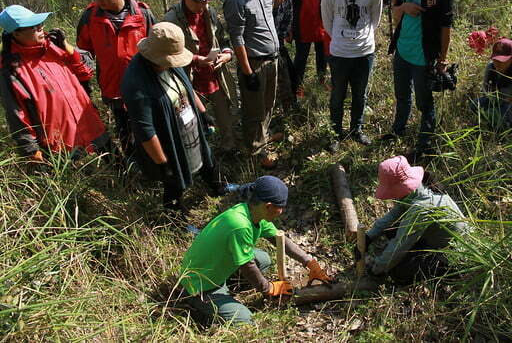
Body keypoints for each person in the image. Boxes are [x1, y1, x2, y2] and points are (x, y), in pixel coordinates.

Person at [180, 175, 333, 325]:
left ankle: (227, 290)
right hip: (199, 286)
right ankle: (203, 307)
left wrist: (309, 262)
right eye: (281, 207)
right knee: (247, 320)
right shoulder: (240, 225)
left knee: (264, 260)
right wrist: (269, 288)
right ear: (268, 206)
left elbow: (280, 241)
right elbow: (247, 265)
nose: (282, 211)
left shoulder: (253, 212)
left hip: (215, 268)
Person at [120, 22, 222, 211]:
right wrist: (163, 164)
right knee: (174, 181)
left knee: (206, 156)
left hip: (189, 126)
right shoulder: (136, 83)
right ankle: (176, 218)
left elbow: (186, 88)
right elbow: (146, 131)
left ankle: (217, 187)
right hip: (170, 140)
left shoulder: (169, 62)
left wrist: (202, 112)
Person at [0, 5, 110, 160]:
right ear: (16, 33)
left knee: (119, 168)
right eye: (33, 26)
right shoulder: (12, 70)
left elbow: (86, 73)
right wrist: (31, 150)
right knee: (84, 181)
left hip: (91, 125)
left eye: (40, 23)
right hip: (62, 144)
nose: (40, 27)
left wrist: (68, 49)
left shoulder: (54, 46)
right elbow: (16, 115)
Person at [384, 0, 455, 162]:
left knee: (425, 101)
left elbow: (446, 24)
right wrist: (403, 8)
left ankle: (425, 143)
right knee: (402, 94)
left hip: (425, 54)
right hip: (403, 49)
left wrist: (442, 60)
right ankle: (398, 129)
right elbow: (395, 13)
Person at [77, 0, 156, 159]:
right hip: (113, 89)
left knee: (149, 129)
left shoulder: (142, 14)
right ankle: (133, 168)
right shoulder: (90, 17)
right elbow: (84, 51)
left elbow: (156, 49)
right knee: (125, 133)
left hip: (143, 88)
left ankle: (155, 166)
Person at [361, 156, 468, 285]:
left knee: (398, 272)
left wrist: (376, 269)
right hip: (434, 236)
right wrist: (369, 236)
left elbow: (400, 245)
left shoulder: (422, 207)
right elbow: (394, 214)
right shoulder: (416, 190)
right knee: (391, 229)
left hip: (451, 252)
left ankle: (444, 271)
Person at [163, 0, 239, 152]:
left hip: (214, 75)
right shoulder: (171, 20)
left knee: (225, 115)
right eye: (198, 1)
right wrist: (197, 60)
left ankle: (229, 148)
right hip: (189, 81)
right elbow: (168, 56)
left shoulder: (210, 13)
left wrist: (227, 53)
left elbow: (223, 37)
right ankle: (202, 154)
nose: (203, 6)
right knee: (194, 121)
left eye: (206, 2)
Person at [321, 0, 383, 152]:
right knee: (337, 95)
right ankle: (335, 133)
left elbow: (376, 20)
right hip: (339, 53)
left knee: (360, 93)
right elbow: (327, 23)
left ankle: (356, 129)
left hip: (365, 52)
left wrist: (361, 38)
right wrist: (342, 39)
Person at [223, 0, 282, 169]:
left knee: (268, 104)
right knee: (254, 109)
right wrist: (248, 73)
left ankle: (263, 137)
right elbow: (237, 39)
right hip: (254, 63)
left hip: (272, 59)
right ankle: (256, 150)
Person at [288, 0, 328, 95]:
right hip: (302, 24)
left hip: (322, 22)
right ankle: (297, 88)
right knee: (301, 57)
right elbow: (291, 3)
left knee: (322, 55)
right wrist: (290, 27)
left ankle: (321, 83)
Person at [470, 38, 512, 131]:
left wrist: (491, 111)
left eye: (502, 60)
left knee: (495, 118)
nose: (497, 63)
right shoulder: (491, 67)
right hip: (497, 101)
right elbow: (486, 93)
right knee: (474, 105)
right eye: (495, 59)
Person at [266, 0, 297, 111]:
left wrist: (280, 41)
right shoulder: (260, 2)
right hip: (262, 49)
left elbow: (287, 20)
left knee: (289, 75)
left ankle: (288, 109)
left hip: (278, 43)